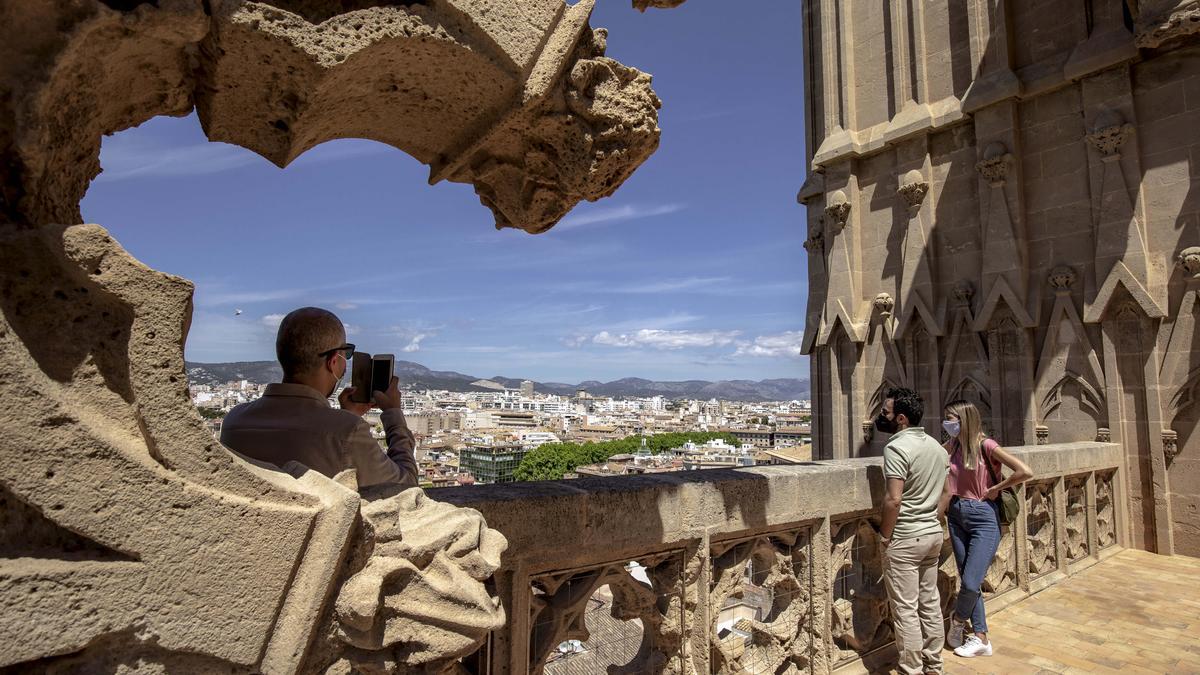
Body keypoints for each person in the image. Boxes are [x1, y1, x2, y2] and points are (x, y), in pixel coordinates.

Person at [221, 307, 418, 489]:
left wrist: (346, 417)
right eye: (346, 353)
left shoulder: (234, 421)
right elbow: (405, 485)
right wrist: (393, 415)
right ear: (334, 361)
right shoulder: (346, 431)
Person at [941, 400, 1032, 658]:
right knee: (969, 578)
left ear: (964, 419)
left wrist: (995, 489)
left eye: (951, 419)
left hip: (983, 517)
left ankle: (958, 620)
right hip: (956, 514)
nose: (948, 424)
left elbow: (1025, 471)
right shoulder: (953, 446)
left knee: (971, 581)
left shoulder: (987, 445)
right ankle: (981, 637)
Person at [876, 387, 953, 675]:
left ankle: (911, 669)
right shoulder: (936, 446)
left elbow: (893, 499)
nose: (881, 417)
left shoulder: (896, 448)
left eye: (885, 412)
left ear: (901, 418)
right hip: (932, 534)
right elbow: (947, 492)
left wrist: (885, 535)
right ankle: (935, 664)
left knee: (906, 609)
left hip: (906, 538)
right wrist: (931, 519)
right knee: (930, 603)